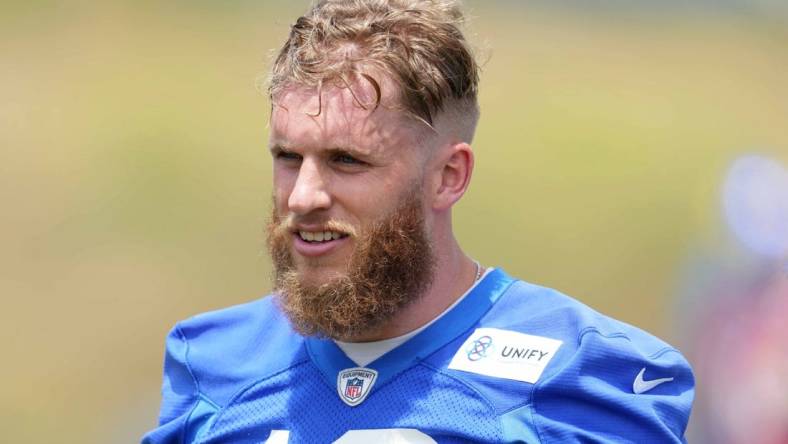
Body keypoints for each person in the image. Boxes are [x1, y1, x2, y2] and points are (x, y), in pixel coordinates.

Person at [143, 1, 694, 442]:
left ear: (448, 176)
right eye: (288, 157)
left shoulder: (583, 373)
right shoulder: (213, 359)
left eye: (347, 160)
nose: (304, 196)